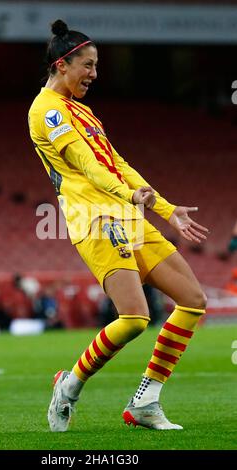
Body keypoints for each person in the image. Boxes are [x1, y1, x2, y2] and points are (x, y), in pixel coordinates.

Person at [28, 19, 209, 432]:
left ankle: (145, 400)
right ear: (61, 65)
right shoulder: (46, 110)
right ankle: (70, 384)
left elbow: (117, 163)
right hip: (95, 218)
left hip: (128, 215)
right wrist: (128, 197)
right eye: (87, 65)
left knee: (193, 298)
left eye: (96, 66)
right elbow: (87, 166)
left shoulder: (83, 110)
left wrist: (164, 208)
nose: (94, 74)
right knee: (134, 317)